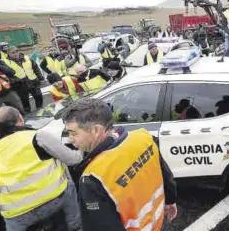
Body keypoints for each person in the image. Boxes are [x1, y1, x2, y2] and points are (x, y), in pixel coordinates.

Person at [60, 98, 178, 231]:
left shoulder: (93, 177)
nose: (70, 139)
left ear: (96, 130)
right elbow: (165, 173)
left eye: (73, 133)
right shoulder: (142, 137)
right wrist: (170, 199)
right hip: (159, 220)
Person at [0, 106, 82, 231]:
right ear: (20, 119)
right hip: (57, 199)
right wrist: (82, 149)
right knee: (69, 185)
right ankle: (76, 226)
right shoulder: (36, 137)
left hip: (17, 216)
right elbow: (72, 159)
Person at [4, 46, 44, 114]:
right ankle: (28, 116)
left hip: (33, 82)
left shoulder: (27, 58)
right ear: (8, 54)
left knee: (39, 97)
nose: (15, 54)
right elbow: (7, 75)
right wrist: (14, 81)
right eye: (13, 52)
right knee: (24, 102)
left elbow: (35, 68)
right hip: (20, 85)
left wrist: (40, 77)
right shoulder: (6, 62)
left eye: (17, 51)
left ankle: (40, 111)